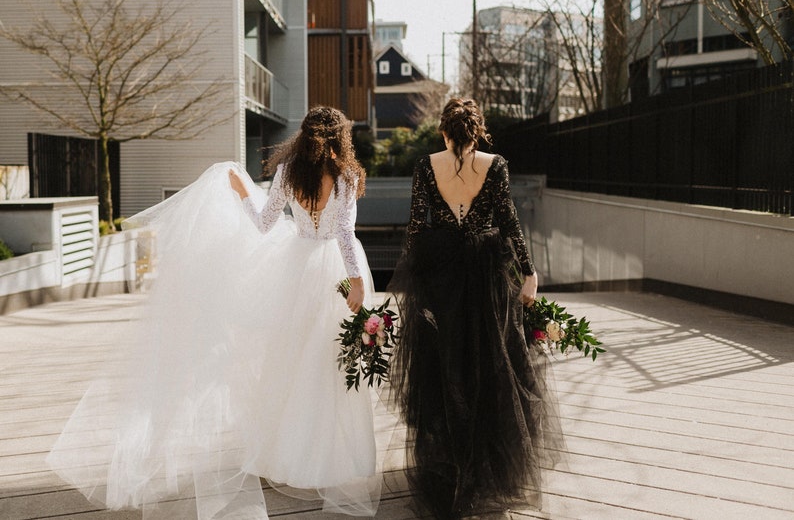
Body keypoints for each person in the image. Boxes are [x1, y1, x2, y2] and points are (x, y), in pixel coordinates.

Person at [47, 106, 382, 519]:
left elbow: (262, 225)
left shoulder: (290, 172)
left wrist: (243, 194)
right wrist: (358, 281)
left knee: (290, 362)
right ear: (339, 138)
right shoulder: (347, 176)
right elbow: (345, 235)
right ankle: (333, 459)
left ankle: (288, 455)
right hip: (332, 268)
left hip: (297, 270)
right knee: (332, 363)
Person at [387, 98, 563, 519]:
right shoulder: (495, 164)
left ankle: (450, 465)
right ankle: (487, 470)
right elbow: (508, 221)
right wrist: (529, 272)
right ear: (478, 131)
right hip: (486, 273)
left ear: (444, 132)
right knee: (492, 362)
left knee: (446, 366)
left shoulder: (426, 166)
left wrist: (411, 281)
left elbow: (416, 227)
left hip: (442, 273)